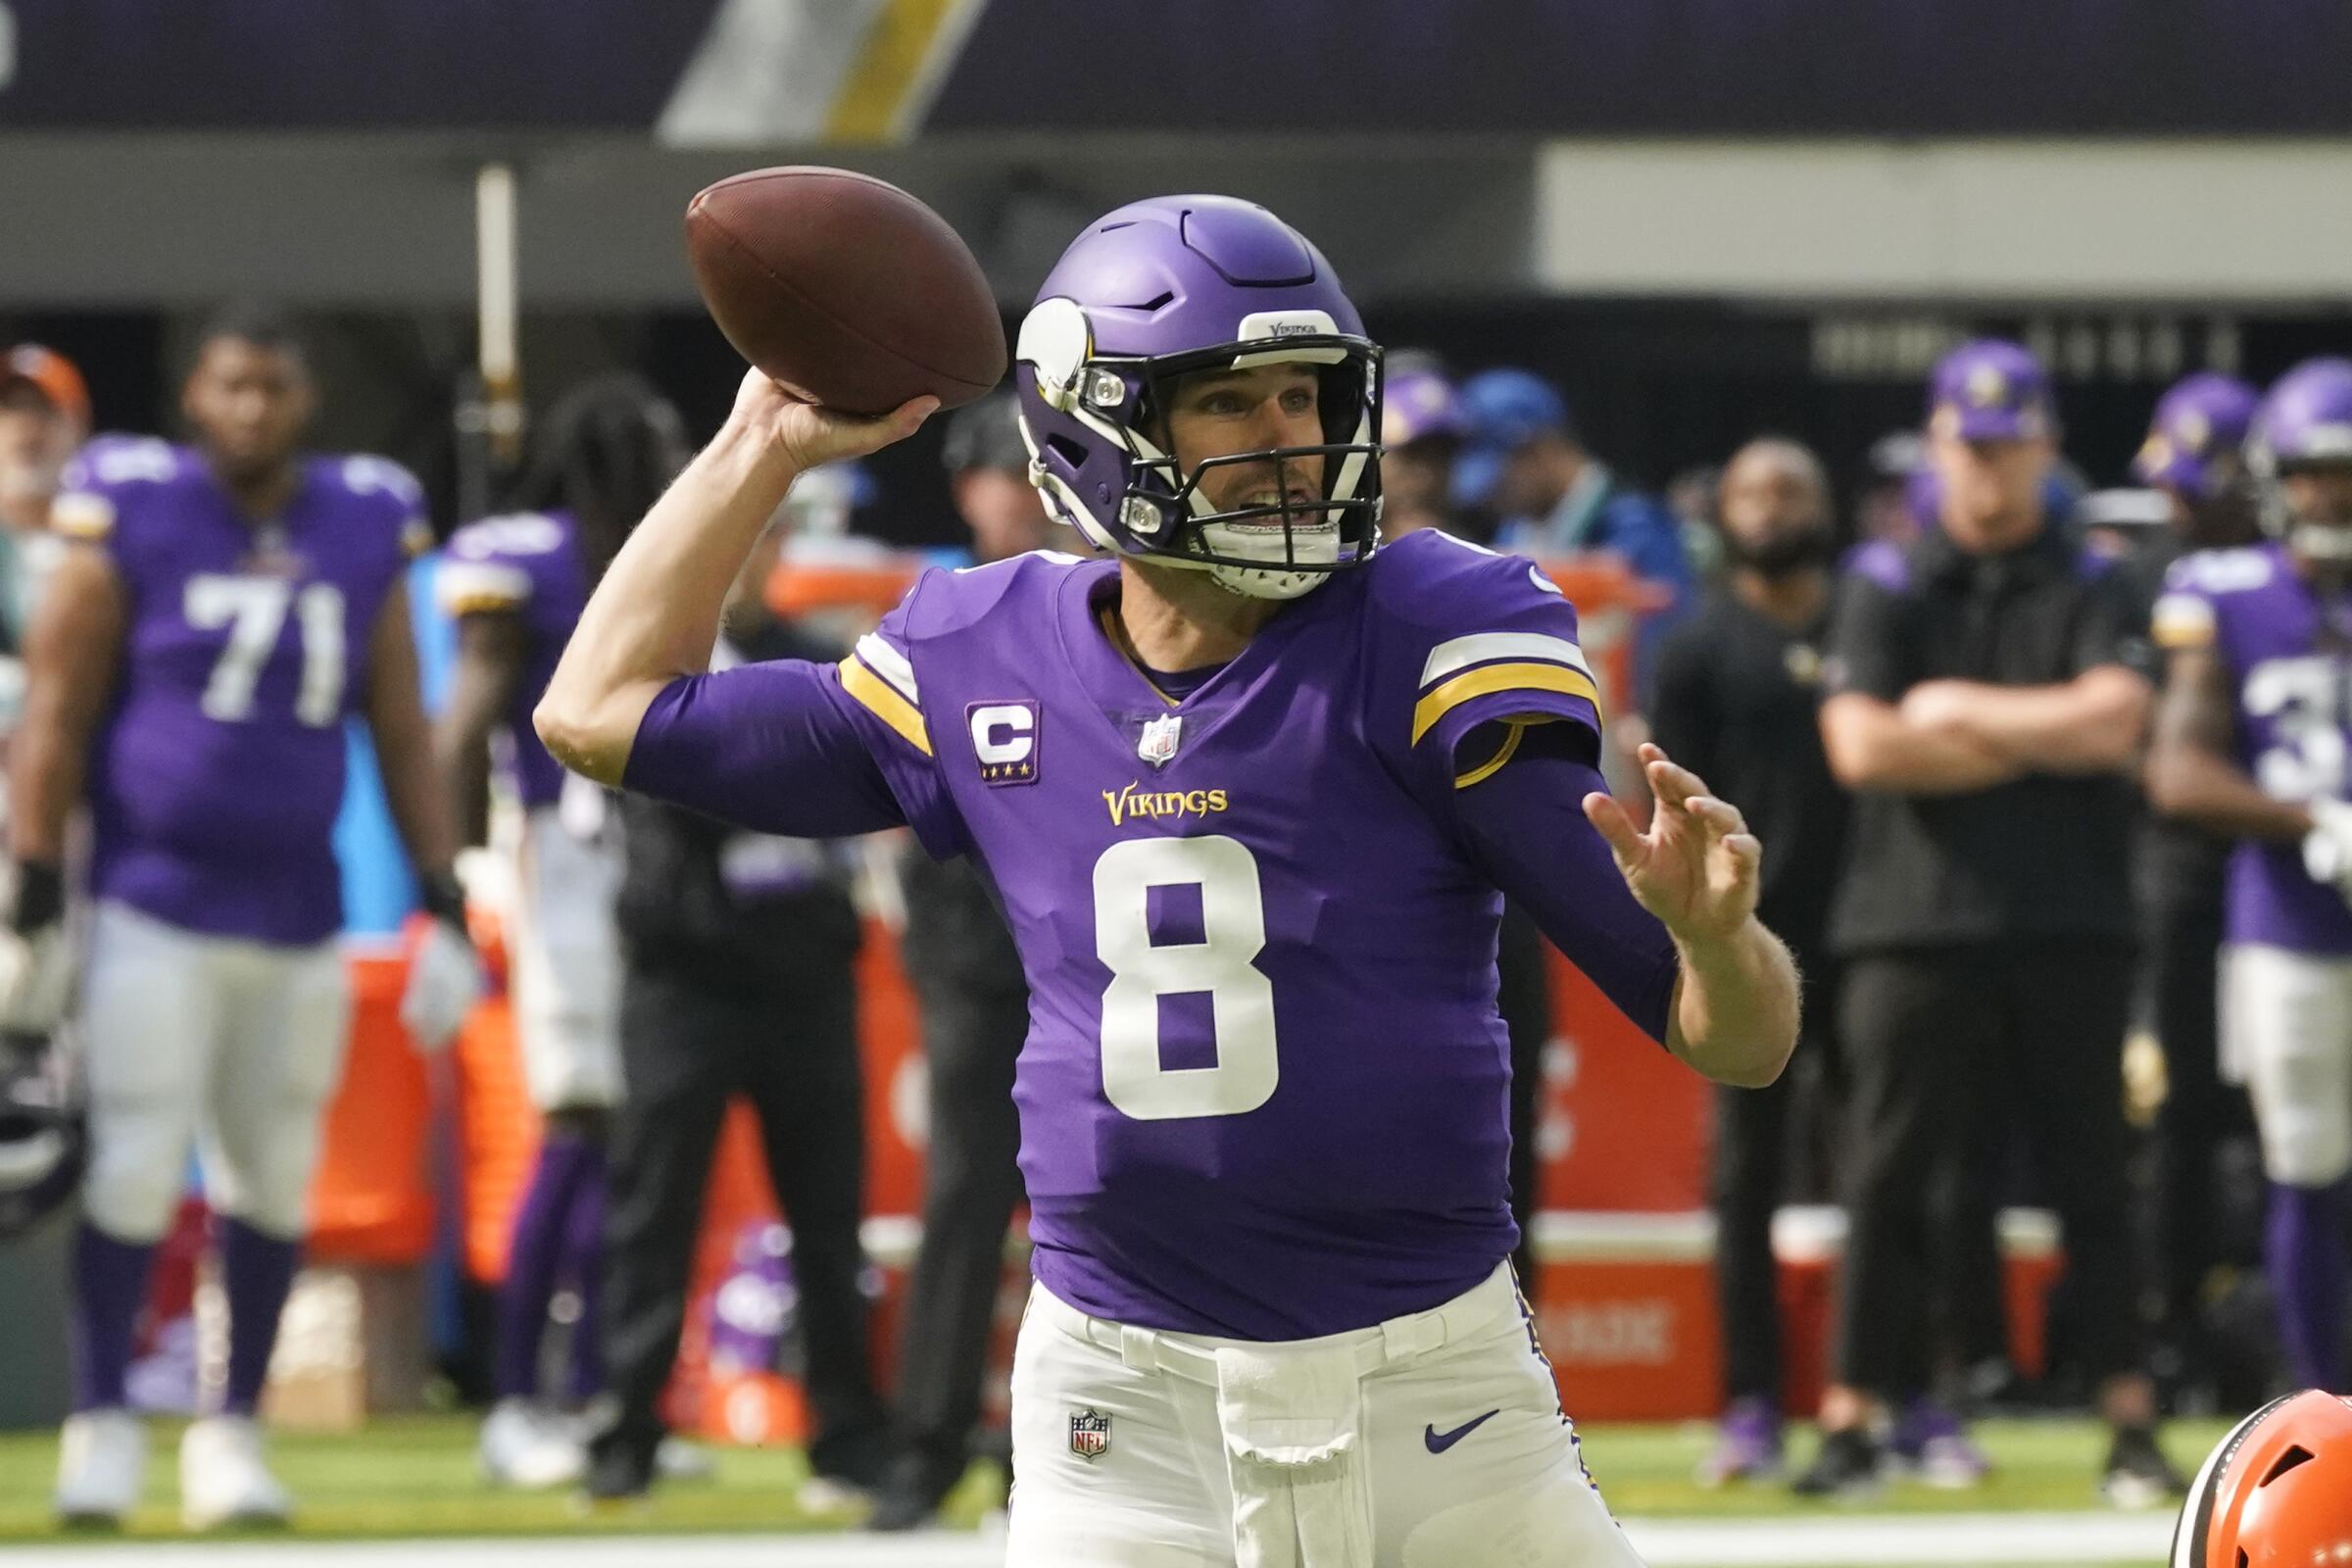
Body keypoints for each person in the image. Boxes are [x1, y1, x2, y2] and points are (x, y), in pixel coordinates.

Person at [535, 193, 1798, 1567]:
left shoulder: (1437, 630)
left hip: (1435, 1397)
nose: (1286, 443)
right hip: (1121, 1416)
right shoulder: (982, 656)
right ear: (1095, 424)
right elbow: (596, 709)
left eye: (1305, 398)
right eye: (1228, 404)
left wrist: (1720, 942)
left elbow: (1742, 1044)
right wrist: (760, 441)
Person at [3, 304, 480, 1528]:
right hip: (153, 896)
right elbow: (57, 701)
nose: (252, 409)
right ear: (194, 399)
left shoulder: (362, 518)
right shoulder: (134, 507)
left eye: (272, 386)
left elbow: (397, 716)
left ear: (305, 400)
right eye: (231, 386)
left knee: (273, 1175)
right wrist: (36, 872)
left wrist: (439, 887)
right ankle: (103, 1423)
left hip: (297, 906)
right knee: (134, 1159)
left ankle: (233, 1433)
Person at [1797, 339, 2181, 1506]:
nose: (1991, 467)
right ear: (1940, 446)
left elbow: (2118, 722)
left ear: (2047, 447)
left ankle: (2129, 1418)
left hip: (2070, 919)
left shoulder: (2098, 576)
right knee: (1890, 1183)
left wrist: (1958, 710)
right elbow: (1863, 748)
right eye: (1972, 444)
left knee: (2094, 1181)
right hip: (1910, 924)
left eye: (2011, 443)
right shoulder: (1889, 580)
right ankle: (1856, 1416)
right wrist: (2040, 735)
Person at [584, 500, 892, 1502]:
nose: (753, 559)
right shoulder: (659, 663)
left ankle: (845, 1436)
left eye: (767, 540)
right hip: (687, 974)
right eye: (739, 538)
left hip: (801, 967)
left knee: (827, 1214)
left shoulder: (813, 662)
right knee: (655, 1207)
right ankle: (625, 1433)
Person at [433, 373, 689, 1487]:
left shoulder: (659, 555)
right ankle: (521, 1397)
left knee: (634, 1140)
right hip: (570, 857)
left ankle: (600, 1393)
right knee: (582, 1123)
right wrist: (441, 887)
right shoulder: (536, 555)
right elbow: (462, 724)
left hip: (656, 861)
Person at [2145, 358, 2352, 1400]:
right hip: (2291, 922)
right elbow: (2179, 767)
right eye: (2314, 472)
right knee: (2307, 1162)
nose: (2330, 495)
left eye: (2347, 474)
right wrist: (2313, 819)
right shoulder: (2222, 591)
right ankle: (2330, 1405)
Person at [870, 391, 1057, 1531]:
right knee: (966, 1197)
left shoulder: (1104, 604)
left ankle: (1050, 1456)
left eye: (1042, 471)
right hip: (972, 949)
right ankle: (925, 1448)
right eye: (1007, 472)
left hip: (1085, 949)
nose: (1028, 493)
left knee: (1088, 1209)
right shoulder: (930, 618)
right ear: (966, 487)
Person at [1649, 439, 1848, 1486]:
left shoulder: (1865, 620)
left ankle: (1892, 1397)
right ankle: (1752, 1403)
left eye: (1793, 489)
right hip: (1743, 941)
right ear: (1721, 511)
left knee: (1898, 1176)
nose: (1772, 507)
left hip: (1868, 931)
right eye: (1752, 489)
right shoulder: (1693, 644)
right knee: (1746, 1176)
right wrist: (1699, 934)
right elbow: (1667, 806)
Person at [2123, 371, 2262, 1403]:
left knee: (2281, 1117)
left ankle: (2279, 1322)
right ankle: (2170, 1327)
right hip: (2173, 871)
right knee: (2174, 1118)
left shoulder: (2291, 581)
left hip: (2277, 869)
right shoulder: (2146, 578)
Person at [1452, 366, 1695, 698]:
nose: (1490, 493)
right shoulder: (1513, 531)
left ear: (1541, 449)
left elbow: (1661, 659)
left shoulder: (1636, 526)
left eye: (1502, 473)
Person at [0, 345, 90, 653]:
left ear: (78, 427)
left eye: (44, 409)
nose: (27, 427)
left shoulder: (106, 540)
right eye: (10, 409)